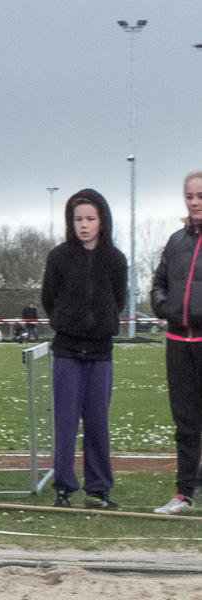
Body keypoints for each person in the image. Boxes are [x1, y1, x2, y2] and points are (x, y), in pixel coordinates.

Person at [41, 189, 127, 510]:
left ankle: (99, 490)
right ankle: (63, 489)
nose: (84, 225)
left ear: (102, 221)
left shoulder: (116, 260)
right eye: (78, 219)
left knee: (97, 423)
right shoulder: (58, 257)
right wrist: (67, 320)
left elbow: (117, 300)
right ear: (70, 221)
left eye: (90, 218)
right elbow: (49, 298)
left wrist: (101, 324)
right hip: (66, 353)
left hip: (101, 354)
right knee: (65, 423)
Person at [151, 171, 202, 515]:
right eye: (190, 196)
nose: (195, 202)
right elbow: (158, 284)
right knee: (184, 422)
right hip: (177, 343)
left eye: (200, 195)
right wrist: (164, 306)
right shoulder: (174, 241)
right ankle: (184, 494)